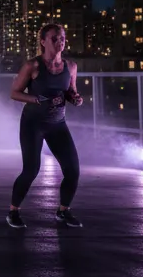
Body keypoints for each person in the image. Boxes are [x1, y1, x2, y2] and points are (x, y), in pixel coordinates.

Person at [6, 23, 85, 229]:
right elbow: (14, 93)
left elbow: (70, 91)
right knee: (31, 170)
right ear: (43, 42)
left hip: (57, 124)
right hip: (33, 123)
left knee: (73, 170)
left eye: (62, 38)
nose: (60, 42)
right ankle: (13, 212)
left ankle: (63, 211)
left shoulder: (71, 66)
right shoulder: (32, 66)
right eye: (54, 39)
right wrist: (38, 99)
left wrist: (75, 98)